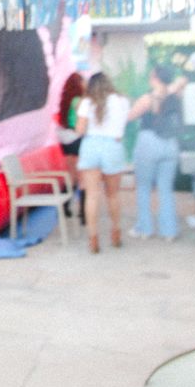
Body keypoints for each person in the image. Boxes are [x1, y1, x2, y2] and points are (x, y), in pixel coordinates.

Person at [75, 72, 131, 254]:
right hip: (113, 146)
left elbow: (79, 130)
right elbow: (123, 125)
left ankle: (93, 239)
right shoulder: (122, 101)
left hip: (91, 145)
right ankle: (116, 234)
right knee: (113, 195)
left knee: (92, 195)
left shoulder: (87, 102)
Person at [128, 66, 184, 241]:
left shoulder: (147, 99)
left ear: (154, 78)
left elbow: (129, 116)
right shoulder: (176, 96)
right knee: (165, 188)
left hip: (149, 142)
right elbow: (182, 81)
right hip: (171, 144)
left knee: (144, 187)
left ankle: (145, 228)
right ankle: (169, 231)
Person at [56, 72, 86, 224]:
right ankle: (83, 212)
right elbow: (82, 123)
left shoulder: (65, 101)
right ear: (78, 85)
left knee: (71, 175)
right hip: (77, 139)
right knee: (82, 176)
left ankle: (65, 206)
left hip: (65, 140)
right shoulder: (80, 101)